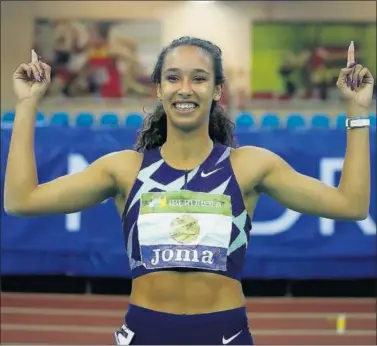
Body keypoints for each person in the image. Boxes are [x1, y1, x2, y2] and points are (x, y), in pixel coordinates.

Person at [4, 37, 374, 345]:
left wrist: (356, 112)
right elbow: (21, 201)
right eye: (173, 78)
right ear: (159, 88)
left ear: (217, 90)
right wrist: (27, 103)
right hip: (146, 333)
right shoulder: (123, 169)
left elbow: (351, 205)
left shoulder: (250, 166)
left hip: (224, 334)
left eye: (198, 79)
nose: (185, 89)